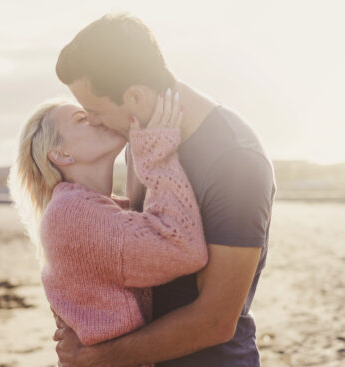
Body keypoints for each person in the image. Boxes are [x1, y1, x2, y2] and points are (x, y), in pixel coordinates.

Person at [52, 13, 277, 367]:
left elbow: (215, 321)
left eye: (95, 111)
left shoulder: (236, 162)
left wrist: (97, 357)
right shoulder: (141, 137)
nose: (93, 121)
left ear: (136, 97)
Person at [8, 93, 208, 358]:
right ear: (61, 154)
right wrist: (156, 152)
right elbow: (185, 249)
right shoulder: (75, 213)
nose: (95, 117)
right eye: (82, 118)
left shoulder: (85, 208)